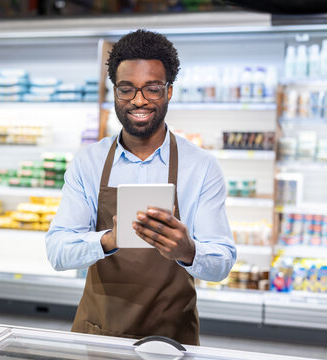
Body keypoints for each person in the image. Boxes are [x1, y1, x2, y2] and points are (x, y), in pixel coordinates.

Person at [45, 29, 236, 345]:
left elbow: (222, 262)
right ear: (115, 92)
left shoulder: (200, 167)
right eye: (127, 89)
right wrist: (109, 240)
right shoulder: (88, 162)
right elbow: (57, 252)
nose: (139, 100)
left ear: (169, 91)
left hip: (172, 339)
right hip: (98, 336)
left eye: (152, 88)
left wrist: (187, 250)